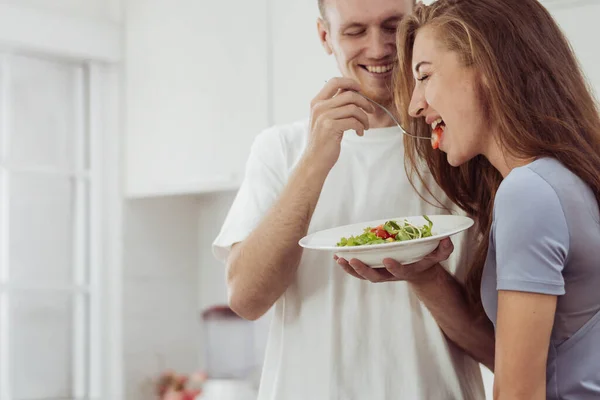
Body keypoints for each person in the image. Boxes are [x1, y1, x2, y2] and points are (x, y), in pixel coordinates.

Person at [212, 0, 487, 398]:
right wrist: (314, 160)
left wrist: (424, 276)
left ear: (418, 22)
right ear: (325, 36)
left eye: (393, 26)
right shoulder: (280, 149)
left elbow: (502, 351)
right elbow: (246, 299)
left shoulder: (460, 148)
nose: (377, 49)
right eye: (355, 31)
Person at [362, 0, 600, 398]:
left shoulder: (528, 194)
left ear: (488, 69)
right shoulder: (560, 179)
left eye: (425, 76)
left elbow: (517, 393)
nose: (414, 105)